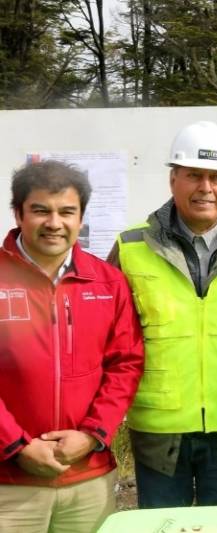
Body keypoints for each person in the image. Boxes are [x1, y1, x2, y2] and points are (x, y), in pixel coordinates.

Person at [108, 121, 217, 508]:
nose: (206, 187)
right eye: (194, 176)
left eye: (216, 177)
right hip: (158, 428)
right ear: (173, 180)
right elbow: (105, 333)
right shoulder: (132, 246)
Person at [0, 161, 144, 532]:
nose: (54, 223)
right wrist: (15, 445)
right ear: (18, 213)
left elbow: (125, 364)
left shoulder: (108, 282)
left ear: (81, 217)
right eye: (40, 211)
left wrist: (94, 434)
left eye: (67, 212)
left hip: (88, 478)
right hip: (8, 483)